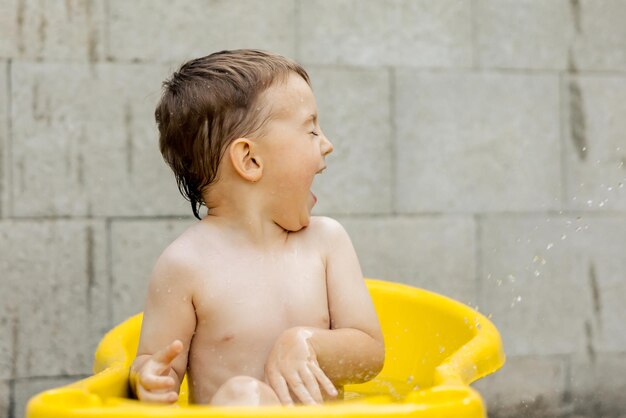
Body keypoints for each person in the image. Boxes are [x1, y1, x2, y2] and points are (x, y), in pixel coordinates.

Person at [129, 49, 385, 406]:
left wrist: (307, 343)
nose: (327, 144)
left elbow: (370, 354)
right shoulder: (185, 265)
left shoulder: (327, 244)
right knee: (242, 396)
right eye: (311, 129)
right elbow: (153, 363)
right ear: (250, 159)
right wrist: (149, 378)